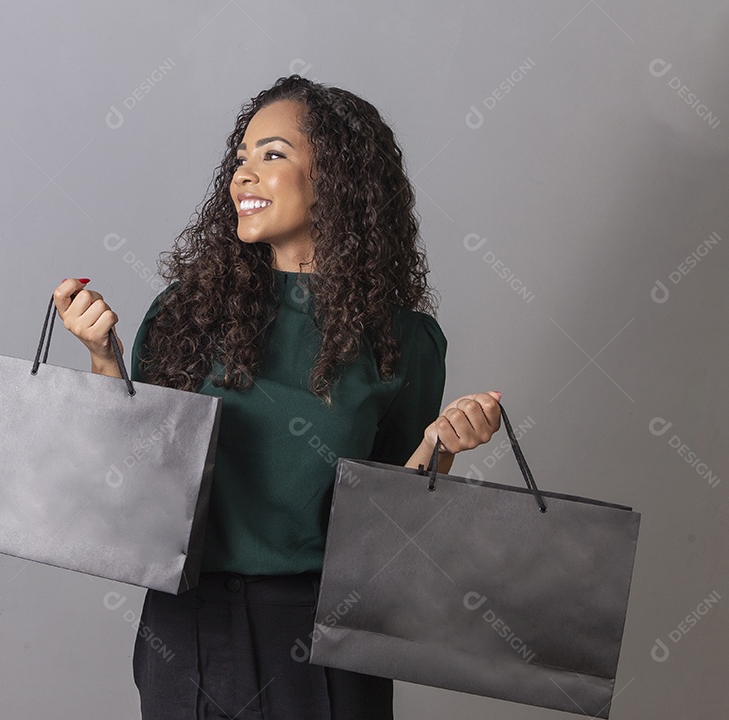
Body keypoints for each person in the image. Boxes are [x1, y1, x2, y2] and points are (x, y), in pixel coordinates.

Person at [53, 75, 504, 720]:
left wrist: (438, 447)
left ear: (338, 178)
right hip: (188, 624)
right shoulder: (184, 315)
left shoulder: (401, 339)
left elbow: (389, 536)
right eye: (240, 159)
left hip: (322, 634)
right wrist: (103, 359)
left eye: (272, 155)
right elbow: (132, 483)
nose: (244, 176)